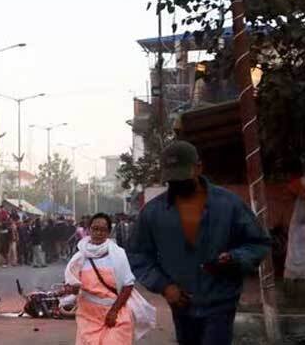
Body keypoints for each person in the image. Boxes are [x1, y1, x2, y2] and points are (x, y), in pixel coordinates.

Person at [128, 141, 271, 345]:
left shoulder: (229, 204)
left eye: (183, 176)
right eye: (172, 179)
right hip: (181, 304)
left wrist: (236, 258)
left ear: (199, 167)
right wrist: (165, 286)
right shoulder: (152, 212)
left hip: (221, 301)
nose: (177, 183)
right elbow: (138, 254)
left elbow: (258, 243)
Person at [63, 213, 156, 344]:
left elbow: (128, 285)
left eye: (103, 230)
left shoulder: (118, 254)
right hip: (88, 316)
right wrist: (70, 289)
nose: (99, 233)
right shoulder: (79, 257)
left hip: (115, 315)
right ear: (89, 230)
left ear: (108, 232)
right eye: (95, 229)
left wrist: (114, 312)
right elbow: (72, 285)